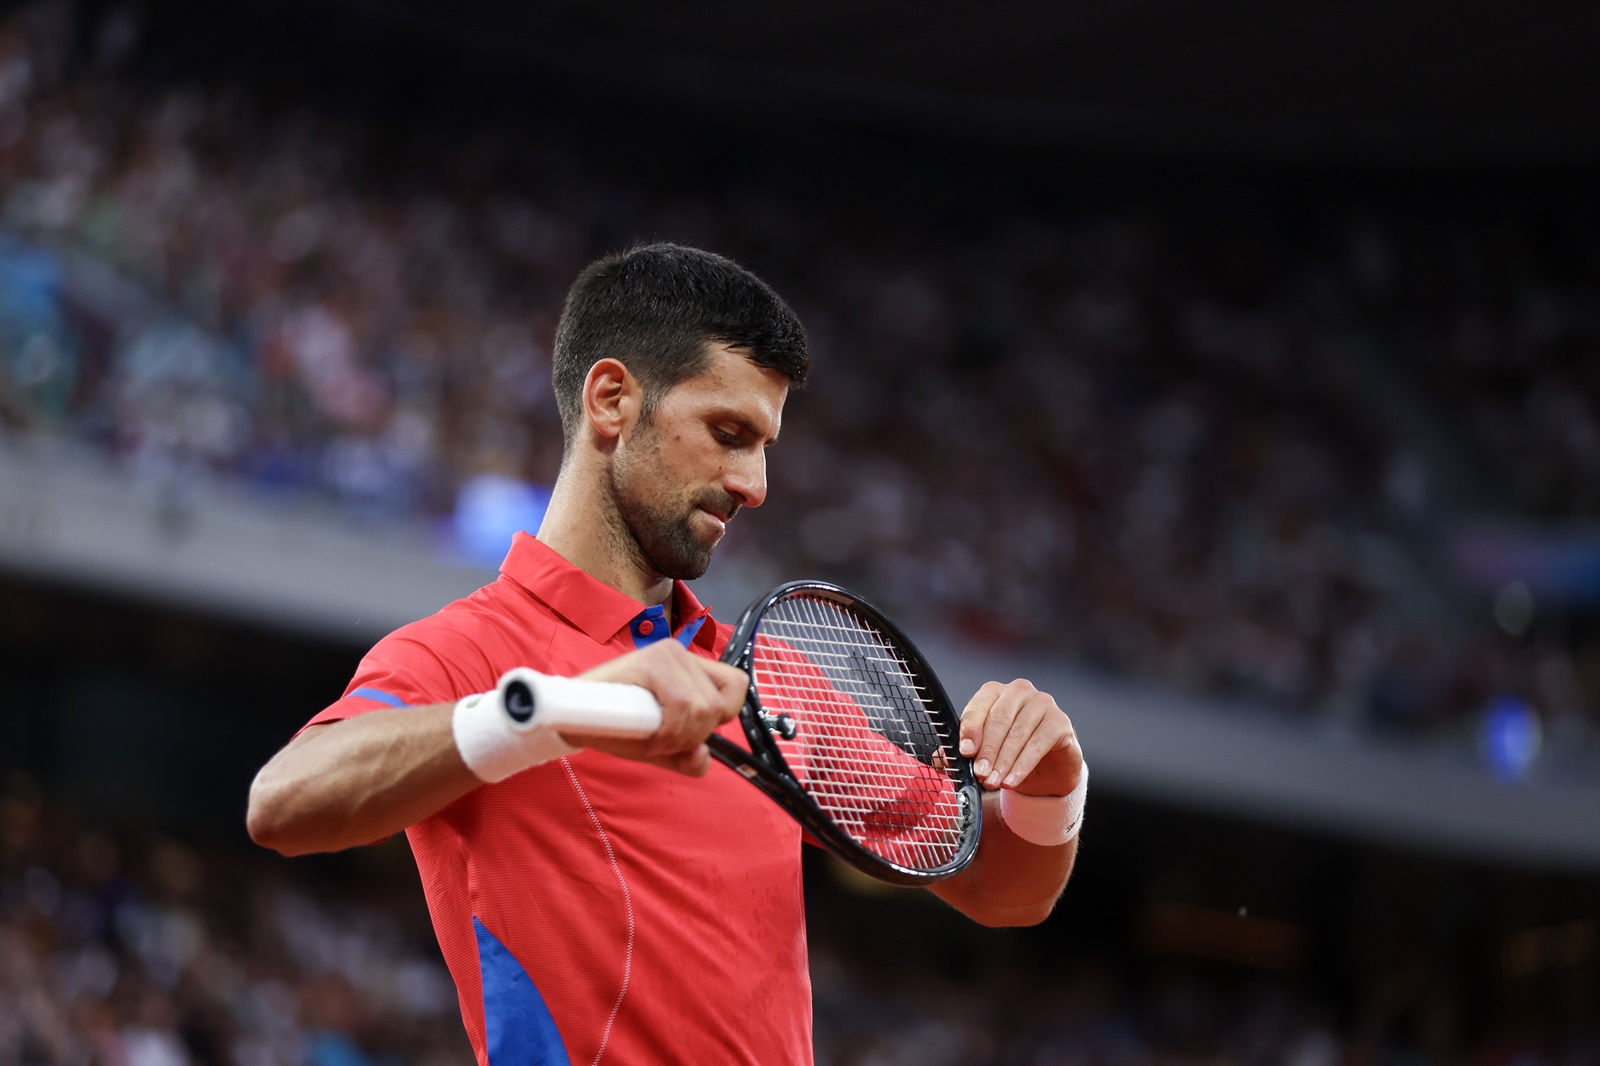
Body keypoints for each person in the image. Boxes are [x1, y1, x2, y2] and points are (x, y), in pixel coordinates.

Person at [247, 243, 1087, 1066]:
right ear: (612, 400)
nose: (754, 483)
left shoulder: (763, 680)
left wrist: (1054, 788)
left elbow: (998, 888)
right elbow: (283, 802)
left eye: (763, 446)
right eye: (727, 431)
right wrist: (559, 709)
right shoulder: (468, 650)